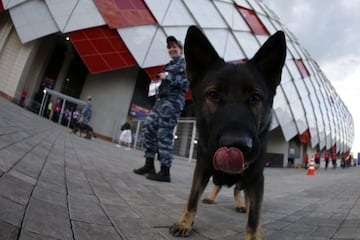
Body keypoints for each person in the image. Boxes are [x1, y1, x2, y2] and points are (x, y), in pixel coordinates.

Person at [133, 36, 189, 182]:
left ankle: (165, 171)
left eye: (174, 46)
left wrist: (168, 77)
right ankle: (149, 164)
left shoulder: (184, 65)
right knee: (148, 128)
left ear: (181, 50)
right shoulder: (169, 65)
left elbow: (185, 83)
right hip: (160, 102)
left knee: (164, 134)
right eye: (169, 47)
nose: (172, 49)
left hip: (172, 103)